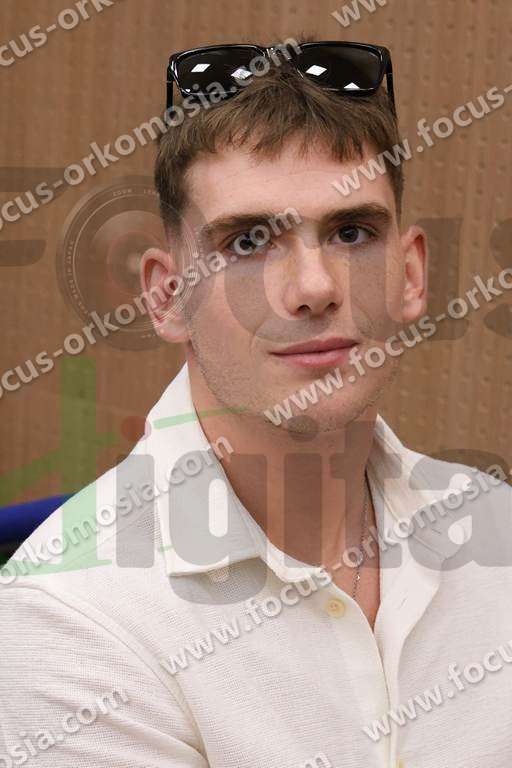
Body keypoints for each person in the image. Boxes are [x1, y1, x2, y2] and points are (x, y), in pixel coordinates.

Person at [1, 36, 511, 768]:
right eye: (247, 242)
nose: (314, 288)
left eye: (352, 232)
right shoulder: (68, 614)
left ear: (410, 275)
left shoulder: (497, 529)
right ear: (167, 295)